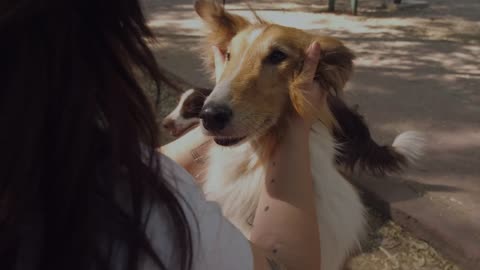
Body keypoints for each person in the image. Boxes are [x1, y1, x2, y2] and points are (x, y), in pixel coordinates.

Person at [0, 0, 324, 269]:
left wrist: (226, 110)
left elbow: (141, 164)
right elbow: (286, 263)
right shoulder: (136, 213)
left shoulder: (40, 163)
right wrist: (294, 129)